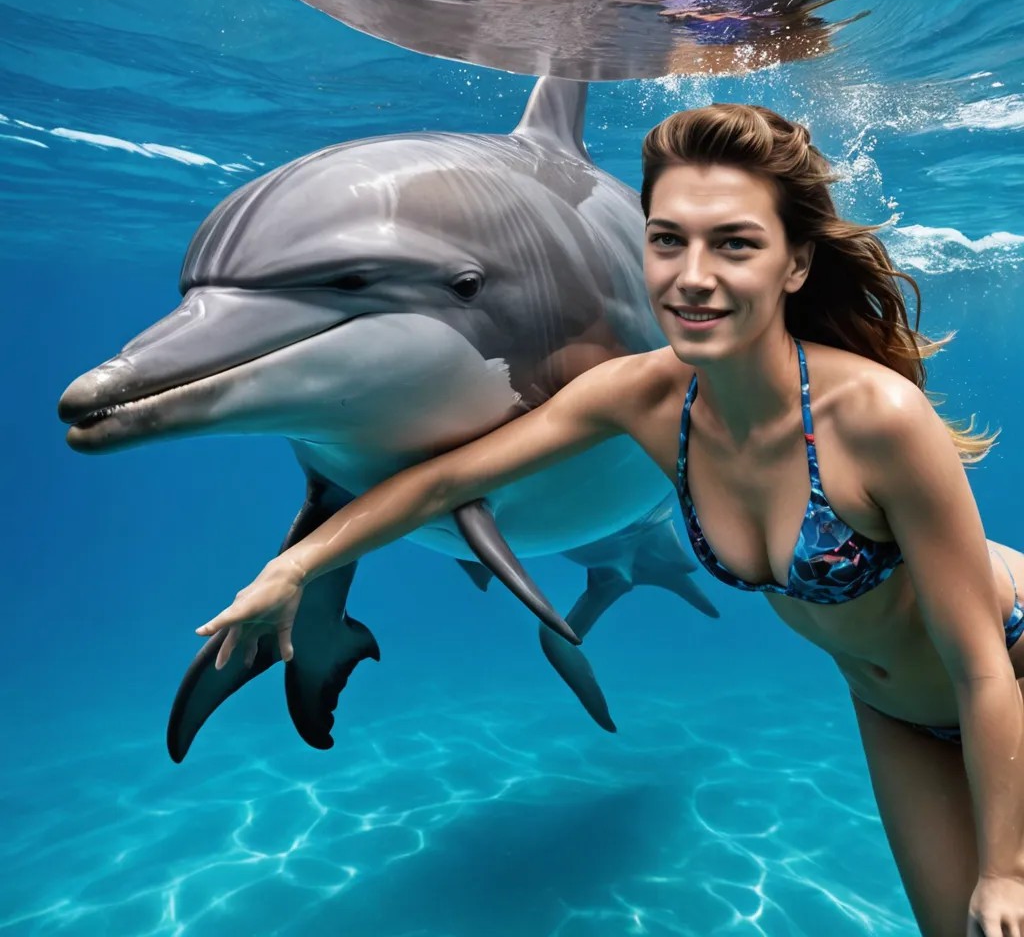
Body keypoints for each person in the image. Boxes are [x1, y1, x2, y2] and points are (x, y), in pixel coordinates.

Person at [195, 102, 1024, 936]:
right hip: (891, 711)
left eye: (734, 243)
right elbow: (439, 485)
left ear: (796, 263)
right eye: (666, 240)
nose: (690, 276)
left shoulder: (879, 418)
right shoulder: (641, 396)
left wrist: (1004, 870)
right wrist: (293, 569)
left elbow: (982, 669)